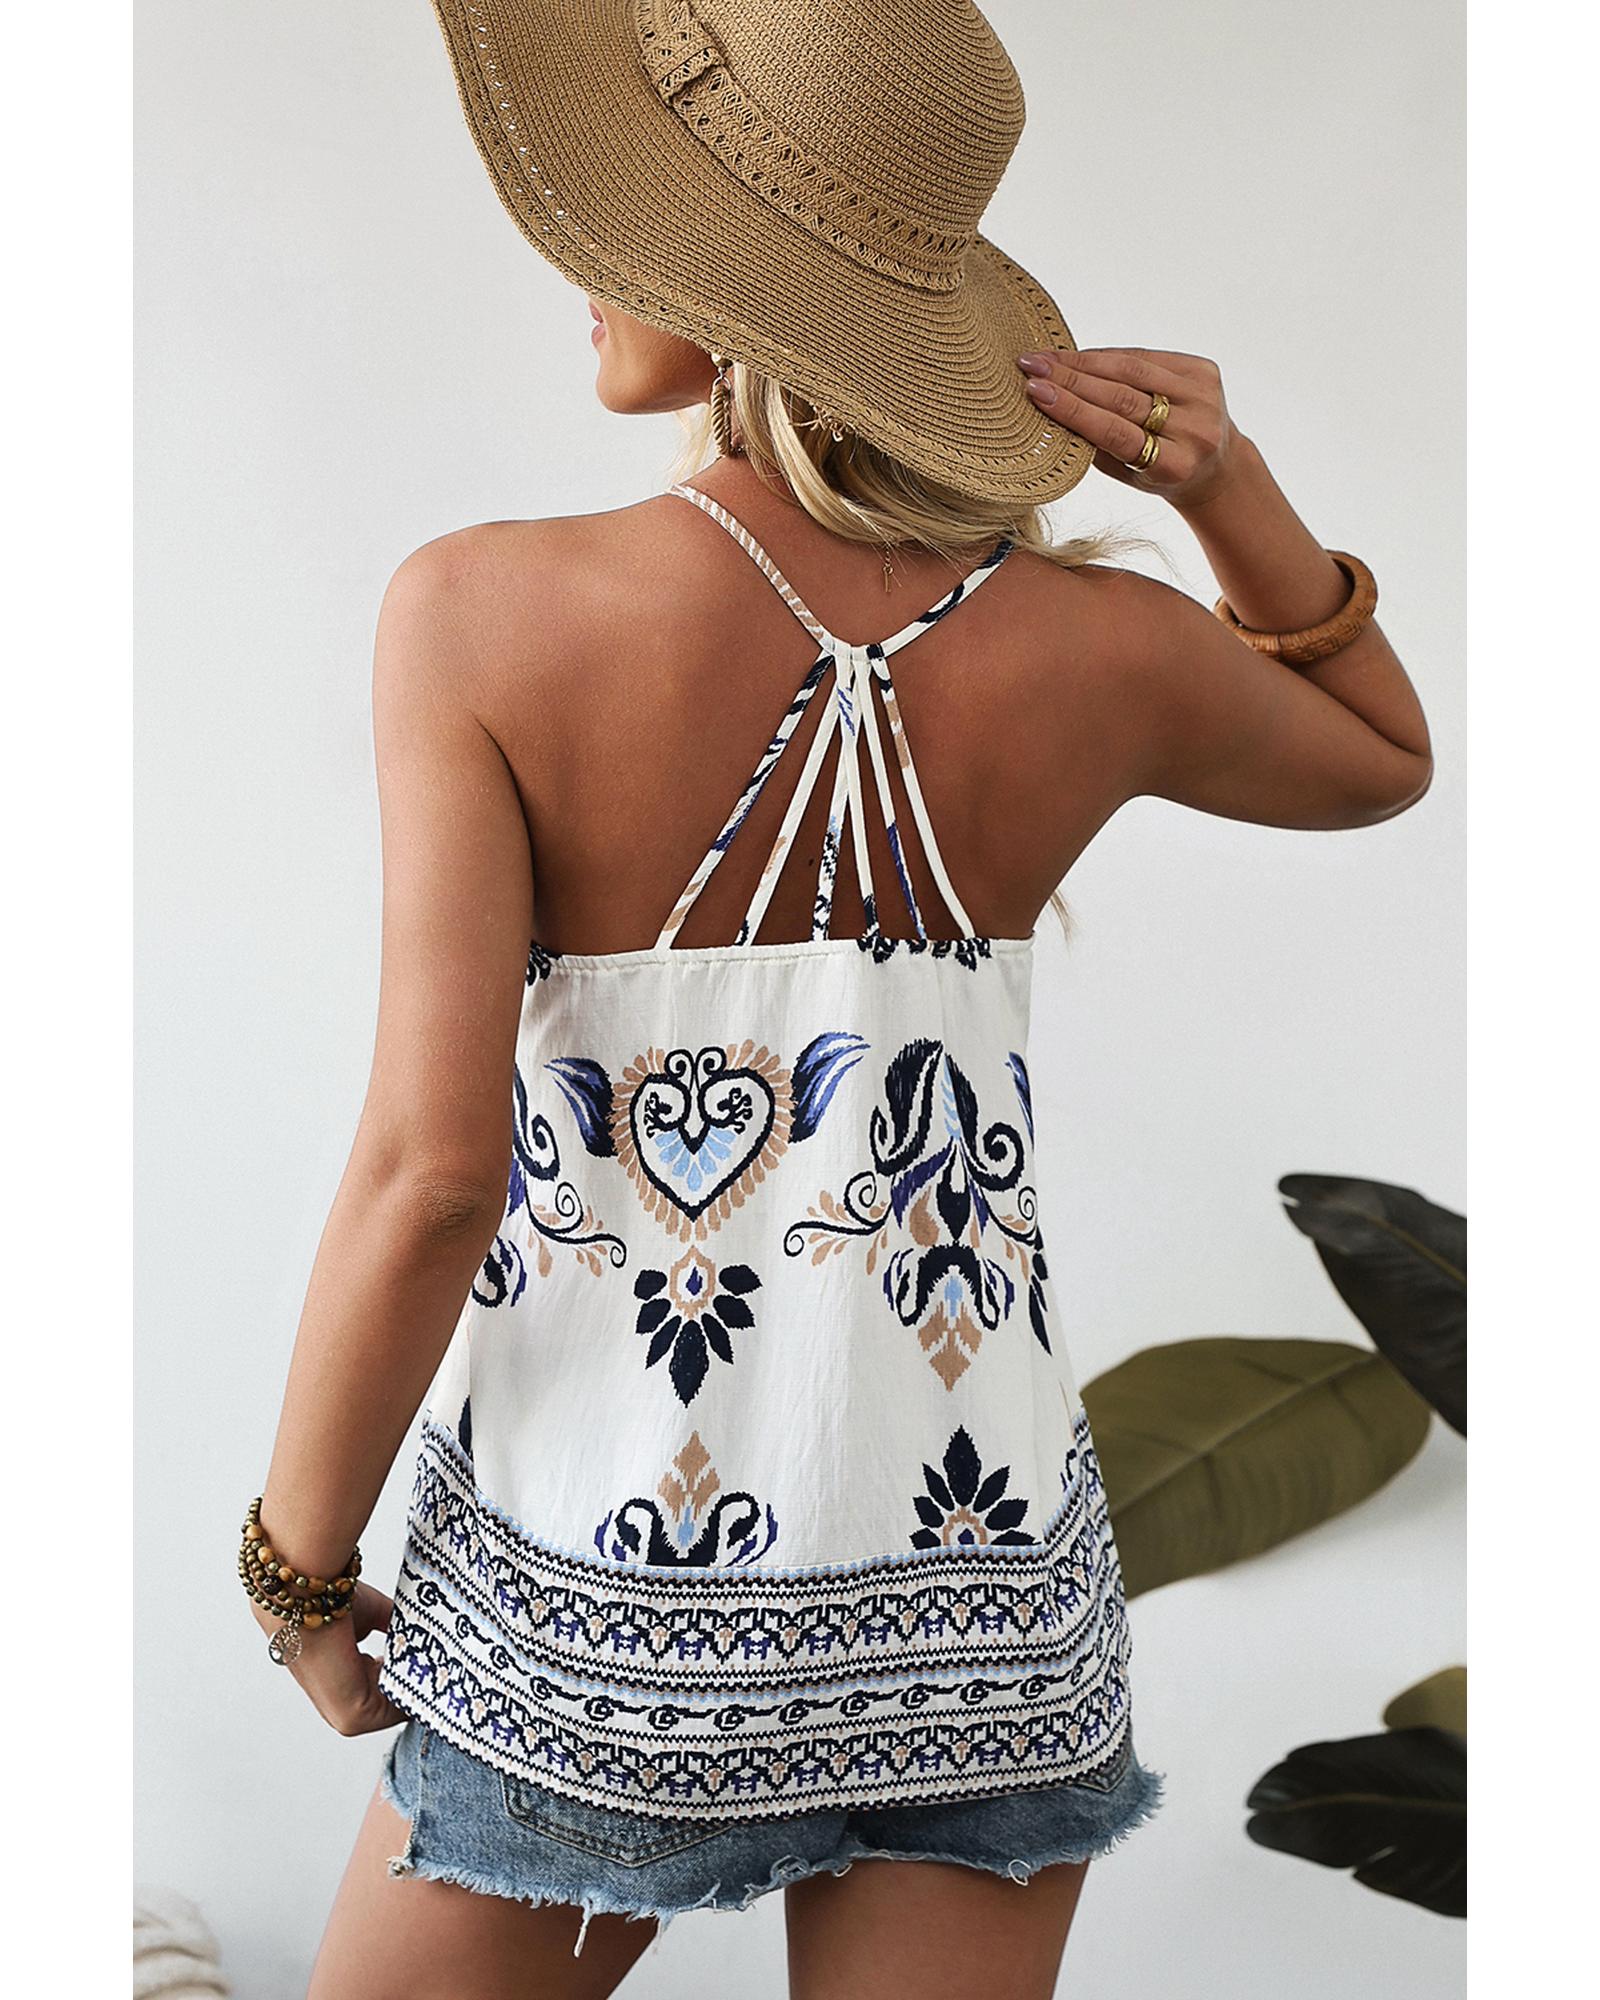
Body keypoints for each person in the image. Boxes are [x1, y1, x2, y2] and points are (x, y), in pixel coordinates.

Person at [240, 4, 1433, 1996]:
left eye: (619, 225)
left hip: (604, 1620)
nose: (573, 267)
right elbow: (1378, 756)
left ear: (732, 296)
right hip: (977, 1613)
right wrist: (1227, 490)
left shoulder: (479, 614)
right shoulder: (1104, 646)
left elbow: (428, 1175)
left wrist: (294, 1565)